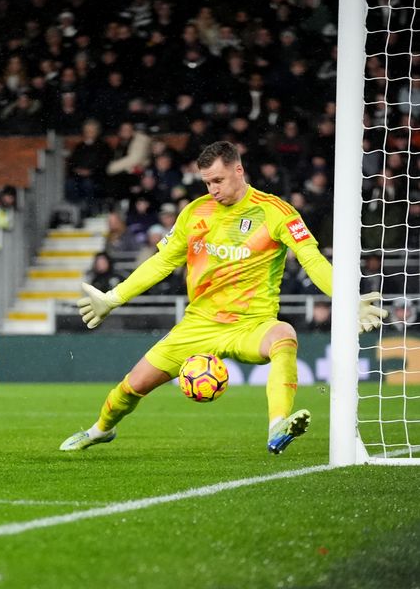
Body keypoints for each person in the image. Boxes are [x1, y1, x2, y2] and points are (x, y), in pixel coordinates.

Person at [60, 141, 388, 456]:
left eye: (218, 180)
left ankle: (278, 426)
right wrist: (113, 298)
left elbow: (311, 259)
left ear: (238, 170)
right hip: (199, 325)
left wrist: (346, 300)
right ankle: (101, 429)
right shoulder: (195, 212)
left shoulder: (275, 211)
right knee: (133, 386)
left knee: (285, 336)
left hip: (251, 325)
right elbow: (162, 262)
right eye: (207, 182)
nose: (212, 189)